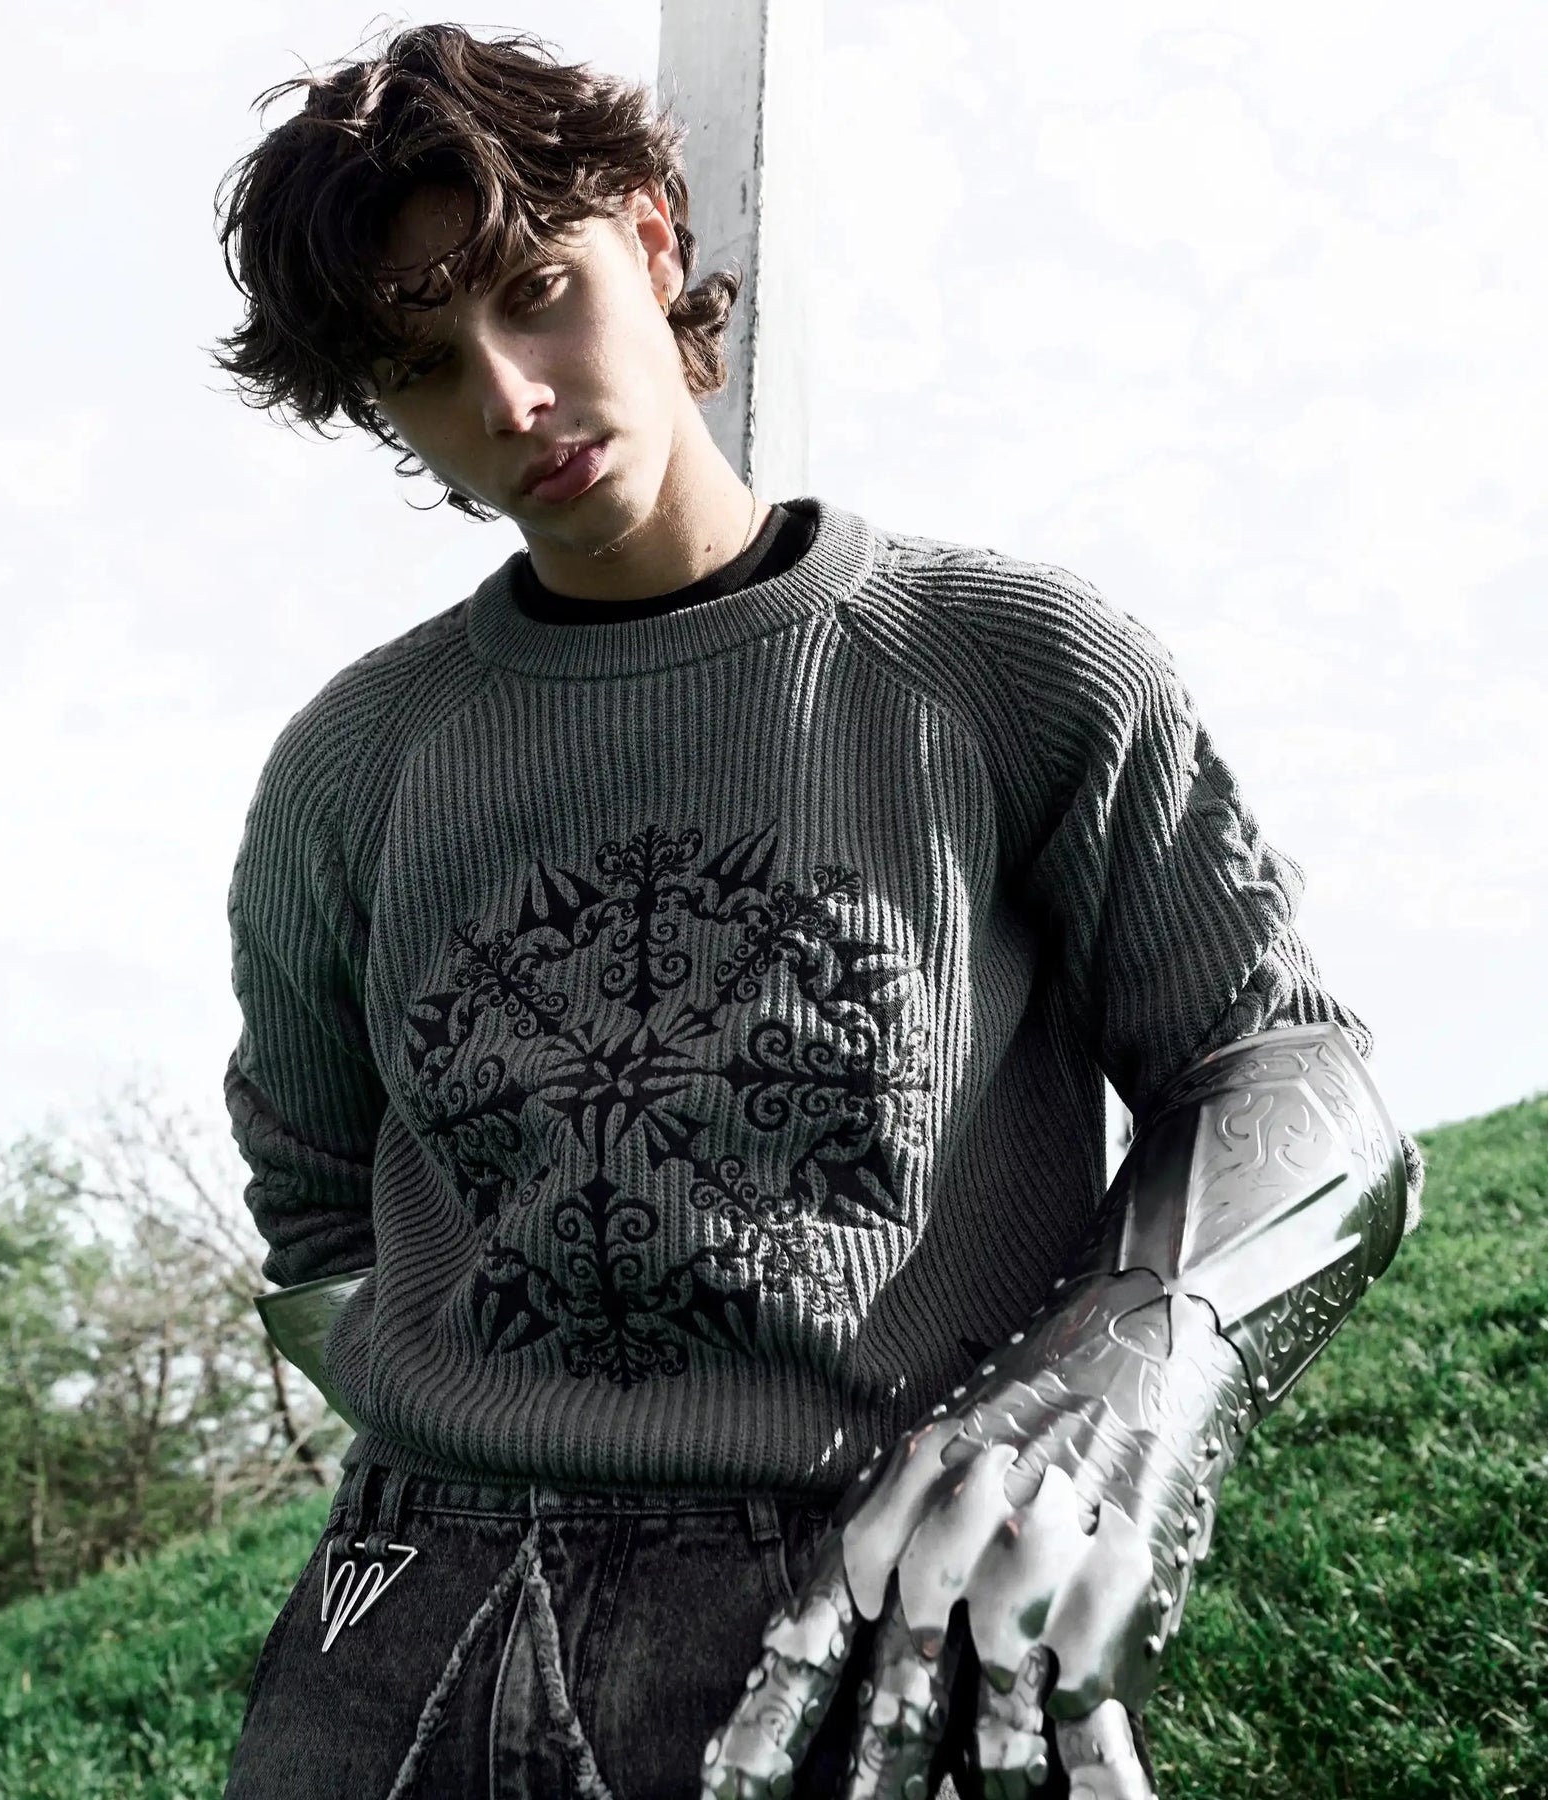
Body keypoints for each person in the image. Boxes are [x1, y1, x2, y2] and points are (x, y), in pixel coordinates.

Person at [208, 22, 1426, 1800]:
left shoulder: (1014, 667)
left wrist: (1127, 1379)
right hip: (398, 1639)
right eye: (423, 366)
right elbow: (318, 1226)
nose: (513, 396)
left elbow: (1282, 1062)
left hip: (880, 1602)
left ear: (648, 234)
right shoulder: (350, 767)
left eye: (538, 292)